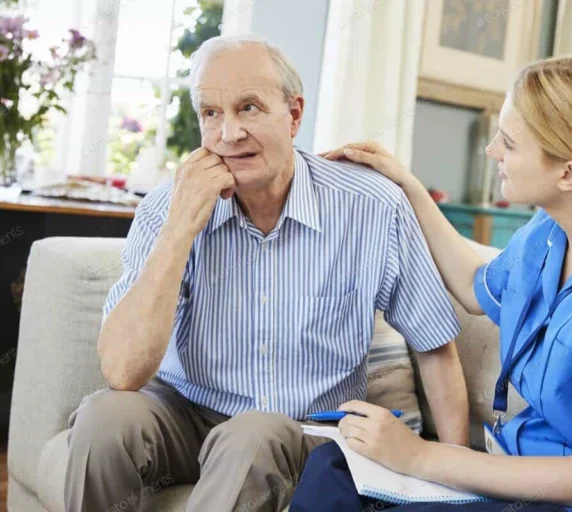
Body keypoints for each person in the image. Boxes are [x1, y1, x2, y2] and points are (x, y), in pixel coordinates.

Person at [290, 57, 572, 512]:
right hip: (525, 471)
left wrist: (420, 455)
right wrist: (408, 186)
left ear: (569, 174)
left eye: (510, 143)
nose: (492, 150)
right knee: (333, 467)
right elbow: (475, 285)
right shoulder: (550, 231)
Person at [64, 35, 471, 512]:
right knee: (103, 417)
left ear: (294, 115)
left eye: (249, 108)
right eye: (211, 114)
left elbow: (435, 347)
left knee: (252, 434)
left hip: (299, 429)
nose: (228, 133)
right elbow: (121, 372)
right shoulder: (166, 208)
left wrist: (454, 472)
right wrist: (180, 229)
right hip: (187, 413)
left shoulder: (371, 207)